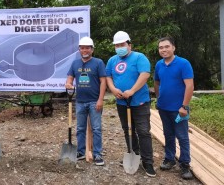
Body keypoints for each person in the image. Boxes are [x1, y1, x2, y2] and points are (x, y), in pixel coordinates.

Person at [105, 31, 156, 177]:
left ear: (129, 45)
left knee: (143, 131)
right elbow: (108, 76)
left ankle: (148, 162)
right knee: (128, 129)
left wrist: (132, 90)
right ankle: (134, 153)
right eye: (117, 45)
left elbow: (144, 75)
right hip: (122, 102)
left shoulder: (139, 57)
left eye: (122, 44)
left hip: (139, 102)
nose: (119, 47)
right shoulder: (112, 60)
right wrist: (113, 89)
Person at [154, 37, 194, 180]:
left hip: (179, 109)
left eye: (166, 47)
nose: (163, 50)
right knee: (168, 134)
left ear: (173, 47)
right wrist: (159, 98)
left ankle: (185, 164)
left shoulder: (183, 63)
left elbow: (190, 86)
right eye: (161, 48)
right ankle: (169, 159)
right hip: (163, 107)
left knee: (182, 137)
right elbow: (157, 82)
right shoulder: (159, 64)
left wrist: (184, 106)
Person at [65, 36, 107, 166]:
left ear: (92, 49)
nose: (85, 50)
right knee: (80, 128)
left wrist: (100, 99)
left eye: (87, 48)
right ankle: (81, 151)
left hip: (94, 101)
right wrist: (68, 84)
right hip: (80, 101)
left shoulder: (98, 63)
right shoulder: (75, 63)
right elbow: (70, 79)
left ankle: (97, 153)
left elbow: (103, 81)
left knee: (96, 128)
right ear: (79, 49)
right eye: (82, 48)